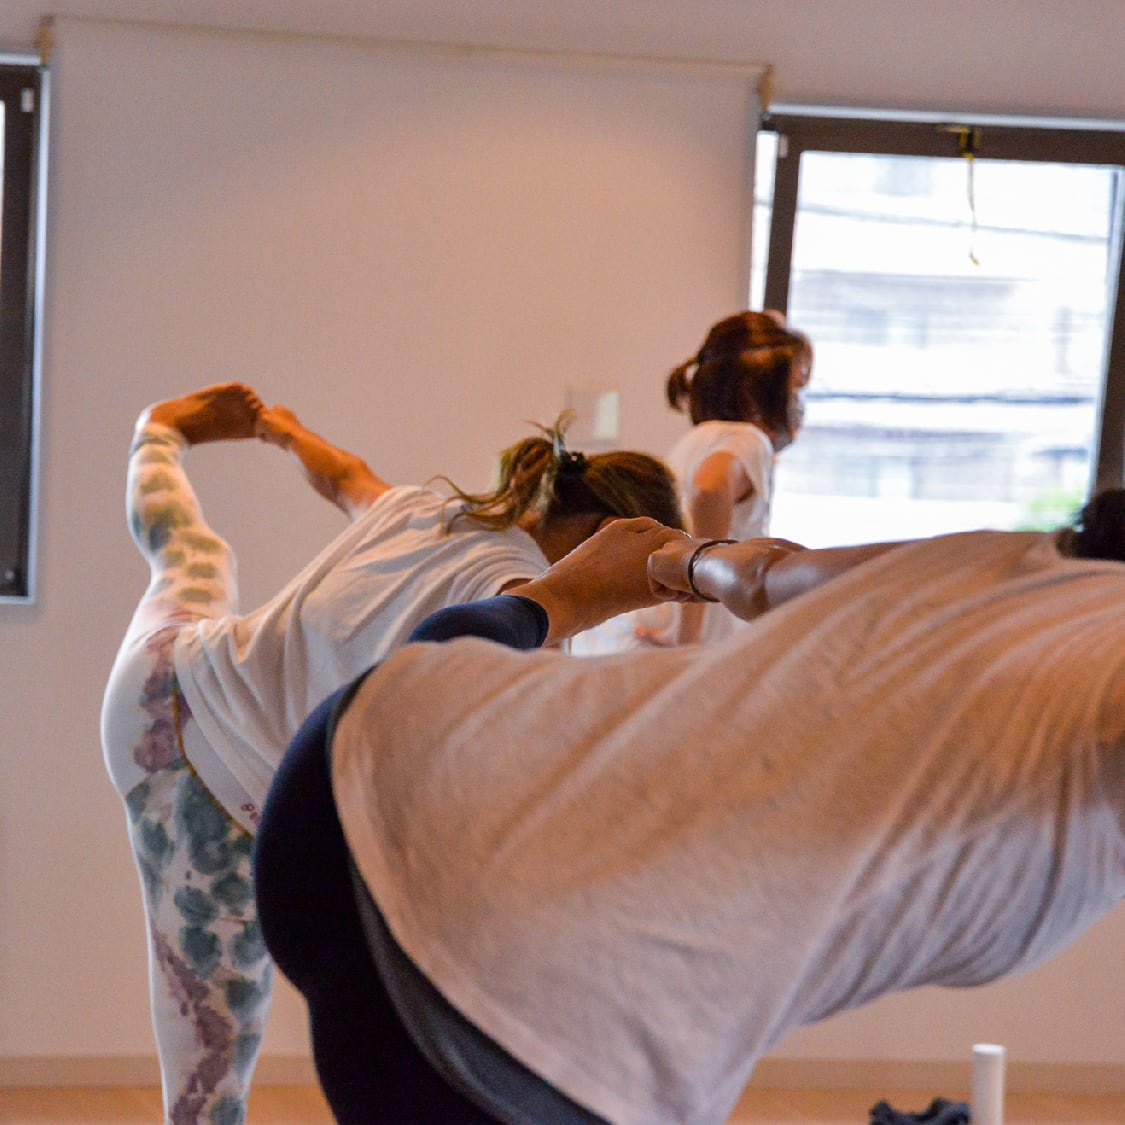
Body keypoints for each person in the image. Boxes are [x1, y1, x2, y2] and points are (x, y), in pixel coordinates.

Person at [254, 493, 1125, 1125]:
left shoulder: (1018, 559)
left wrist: (673, 560)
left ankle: (552, 599)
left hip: (351, 766)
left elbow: (760, 574)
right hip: (519, 1014)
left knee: (461, 683)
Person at [99, 382, 682, 1125]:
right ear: (604, 535)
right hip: (210, 787)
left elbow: (343, 474)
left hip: (166, 666)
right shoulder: (518, 603)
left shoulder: (426, 509)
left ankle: (157, 432)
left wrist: (281, 428)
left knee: (192, 557)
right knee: (210, 1080)